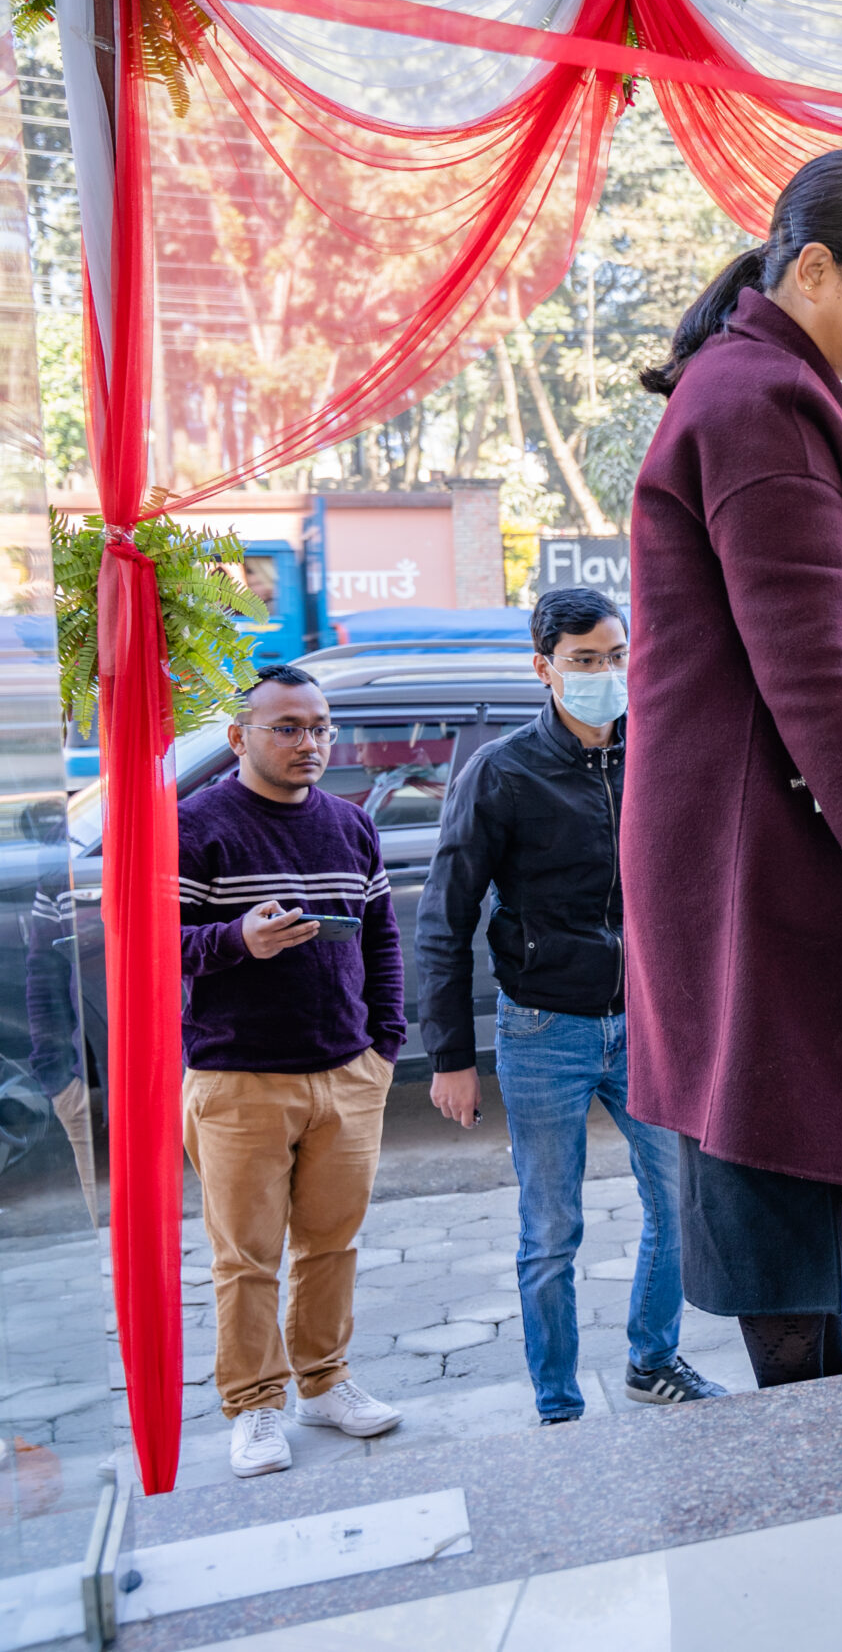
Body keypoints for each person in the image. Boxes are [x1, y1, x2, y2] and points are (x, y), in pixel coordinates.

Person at [623, 149, 842, 1391]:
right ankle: (803, 1466)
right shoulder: (758, 402)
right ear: (816, 269)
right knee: (766, 1179)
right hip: (761, 868)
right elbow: (806, 658)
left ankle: (814, 1453)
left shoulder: (768, 388)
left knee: (778, 1166)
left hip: (762, 852)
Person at [418, 588, 724, 1425]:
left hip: (648, 1024)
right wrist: (451, 1056)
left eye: (617, 656)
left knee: (681, 1204)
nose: (605, 673)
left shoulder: (654, 754)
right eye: (584, 660)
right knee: (551, 1228)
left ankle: (652, 1360)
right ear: (544, 667)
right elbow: (445, 918)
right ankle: (558, 1403)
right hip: (543, 1028)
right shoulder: (502, 771)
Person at [178, 665, 408, 1478]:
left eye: (319, 726)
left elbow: (381, 936)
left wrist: (384, 1045)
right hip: (239, 1077)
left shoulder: (350, 823)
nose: (309, 742)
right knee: (245, 1256)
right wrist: (237, 939)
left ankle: (325, 1379)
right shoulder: (196, 825)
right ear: (238, 736)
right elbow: (153, 945)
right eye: (287, 727)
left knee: (331, 1243)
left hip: (347, 1071)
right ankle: (254, 1404)